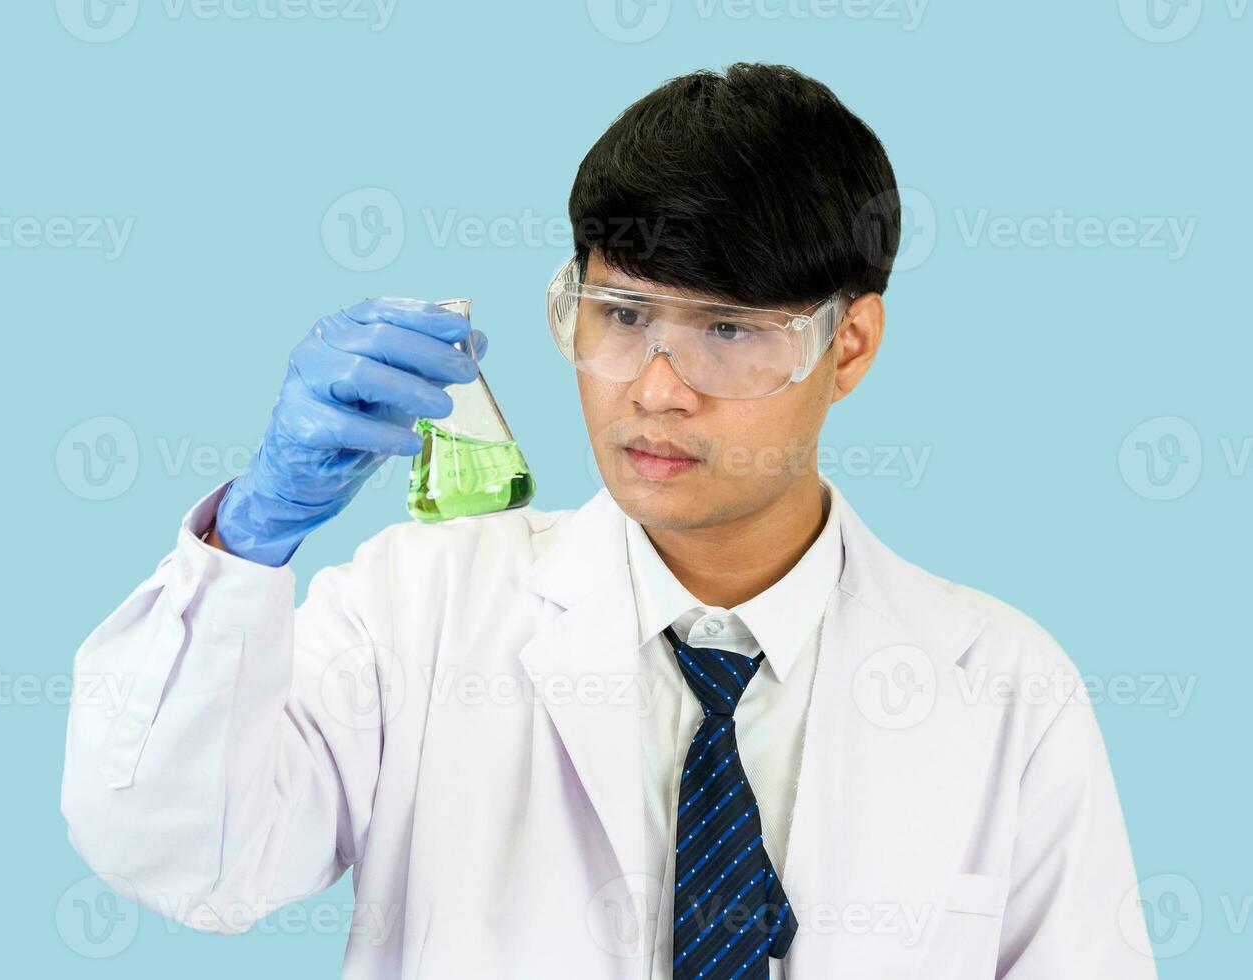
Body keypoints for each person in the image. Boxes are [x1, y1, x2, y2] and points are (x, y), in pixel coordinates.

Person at [61, 63, 1155, 979]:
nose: (655, 387)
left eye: (728, 328)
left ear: (851, 344)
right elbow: (179, 855)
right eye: (621, 316)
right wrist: (249, 541)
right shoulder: (419, 609)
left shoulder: (1004, 688)